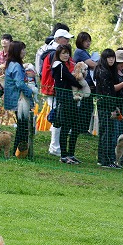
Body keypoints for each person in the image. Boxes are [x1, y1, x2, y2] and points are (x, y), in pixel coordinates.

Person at [39, 28, 74, 156]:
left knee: (58, 118)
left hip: (54, 90)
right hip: (55, 90)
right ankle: (54, 147)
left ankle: (56, 146)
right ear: (58, 39)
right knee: (57, 118)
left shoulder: (51, 51)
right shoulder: (54, 53)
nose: (68, 41)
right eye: (65, 39)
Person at [52, 44, 83, 164]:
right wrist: (82, 85)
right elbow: (71, 79)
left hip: (71, 99)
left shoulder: (64, 65)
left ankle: (71, 154)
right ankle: (64, 155)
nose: (66, 55)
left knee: (75, 127)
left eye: (67, 53)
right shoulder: (58, 66)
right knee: (65, 127)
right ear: (58, 54)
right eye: (63, 53)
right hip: (65, 100)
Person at [4, 41, 36, 155]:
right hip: (19, 99)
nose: (24, 52)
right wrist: (30, 91)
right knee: (23, 127)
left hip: (14, 98)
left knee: (22, 126)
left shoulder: (11, 64)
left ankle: (19, 152)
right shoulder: (17, 66)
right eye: (22, 49)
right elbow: (19, 83)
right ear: (17, 51)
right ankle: (17, 152)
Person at [94, 49, 122, 168]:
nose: (111, 59)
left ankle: (106, 159)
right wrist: (112, 108)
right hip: (105, 106)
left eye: (113, 57)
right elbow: (106, 92)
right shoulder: (102, 71)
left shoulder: (108, 71)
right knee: (106, 132)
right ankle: (104, 160)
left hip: (108, 105)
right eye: (109, 57)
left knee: (108, 132)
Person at [73, 32, 97, 136]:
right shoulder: (80, 52)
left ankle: (84, 129)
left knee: (88, 107)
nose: (88, 43)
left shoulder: (84, 52)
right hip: (83, 84)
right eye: (86, 41)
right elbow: (91, 64)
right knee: (84, 107)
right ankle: (81, 129)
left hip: (88, 85)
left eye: (89, 41)